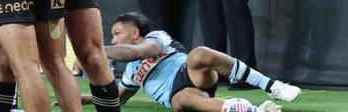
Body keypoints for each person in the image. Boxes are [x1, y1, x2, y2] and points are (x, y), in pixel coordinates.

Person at [101, 12, 299, 111]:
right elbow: (117, 98)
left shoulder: (155, 37)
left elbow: (141, 52)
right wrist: (77, 97)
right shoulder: (129, 73)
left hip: (190, 73)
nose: (113, 40)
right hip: (176, 93)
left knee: (199, 54)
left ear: (135, 32)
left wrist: (98, 52)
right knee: (180, 101)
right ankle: (250, 109)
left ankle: (272, 86)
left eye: (117, 34)